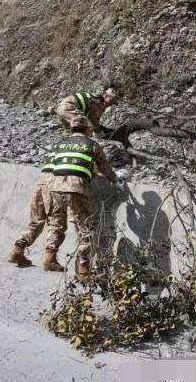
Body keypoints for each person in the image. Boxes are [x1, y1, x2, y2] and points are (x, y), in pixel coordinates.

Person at [43, 116, 126, 276]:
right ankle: (83, 268)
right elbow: (104, 168)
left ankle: (49, 256)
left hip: (55, 187)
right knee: (85, 228)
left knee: (56, 222)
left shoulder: (61, 143)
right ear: (88, 129)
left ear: (72, 129)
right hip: (76, 188)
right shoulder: (91, 144)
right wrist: (116, 179)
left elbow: (57, 165)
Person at [8, 150, 57, 267]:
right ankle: (50, 259)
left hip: (40, 183)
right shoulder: (81, 145)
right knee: (55, 223)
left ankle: (17, 249)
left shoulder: (59, 146)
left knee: (35, 222)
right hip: (56, 184)